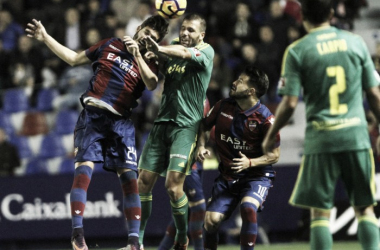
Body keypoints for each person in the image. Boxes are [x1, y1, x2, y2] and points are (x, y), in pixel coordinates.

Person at [25, 15, 169, 250]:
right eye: (147, 33)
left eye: (153, 39)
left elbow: (152, 84)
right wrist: (45, 38)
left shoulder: (150, 61)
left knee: (130, 180)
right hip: (93, 115)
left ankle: (134, 243)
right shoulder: (110, 44)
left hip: (121, 121)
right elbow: (73, 58)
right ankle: (77, 235)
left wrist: (137, 55)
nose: (147, 39)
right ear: (140, 28)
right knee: (83, 173)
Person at [262, 0, 380, 249]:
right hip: (356, 136)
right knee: (365, 208)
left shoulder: (297, 50)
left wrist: (270, 134)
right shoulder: (356, 42)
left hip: (321, 138)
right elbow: (374, 94)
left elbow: (291, 103)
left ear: (302, 16)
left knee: (319, 214)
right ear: (331, 14)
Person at [137, 13, 214, 250]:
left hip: (186, 127)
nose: (185, 33)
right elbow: (161, 70)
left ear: (201, 35)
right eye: (183, 29)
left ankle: (182, 237)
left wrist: (159, 49)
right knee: (142, 182)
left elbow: (181, 53)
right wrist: (152, 55)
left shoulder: (206, 51)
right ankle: (136, 241)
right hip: (162, 124)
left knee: (172, 187)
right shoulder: (170, 50)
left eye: (191, 30)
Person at [196, 65, 280, 250]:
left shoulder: (266, 120)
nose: (234, 83)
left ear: (251, 91)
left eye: (240, 81)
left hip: (256, 176)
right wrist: (201, 145)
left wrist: (250, 162)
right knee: (210, 222)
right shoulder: (223, 106)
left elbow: (274, 155)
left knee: (248, 207)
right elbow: (204, 126)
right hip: (227, 177)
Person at [158, 99, 211, 250]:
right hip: (183, 158)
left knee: (185, 212)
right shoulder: (181, 95)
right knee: (198, 207)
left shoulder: (203, 98)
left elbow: (203, 128)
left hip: (196, 158)